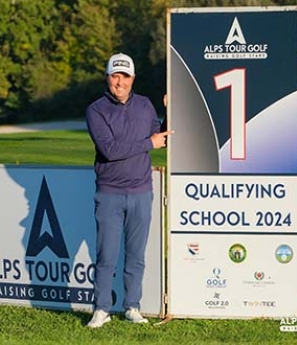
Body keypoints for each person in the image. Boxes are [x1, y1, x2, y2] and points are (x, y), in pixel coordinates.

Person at [85, 53, 172, 328]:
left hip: (141, 192)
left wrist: (169, 111)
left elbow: (162, 139)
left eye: (124, 76)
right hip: (109, 193)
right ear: (108, 77)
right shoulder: (96, 110)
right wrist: (149, 143)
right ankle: (101, 309)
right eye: (115, 75)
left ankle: (132, 306)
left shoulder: (145, 106)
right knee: (106, 256)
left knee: (136, 256)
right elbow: (109, 150)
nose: (119, 82)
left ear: (133, 78)